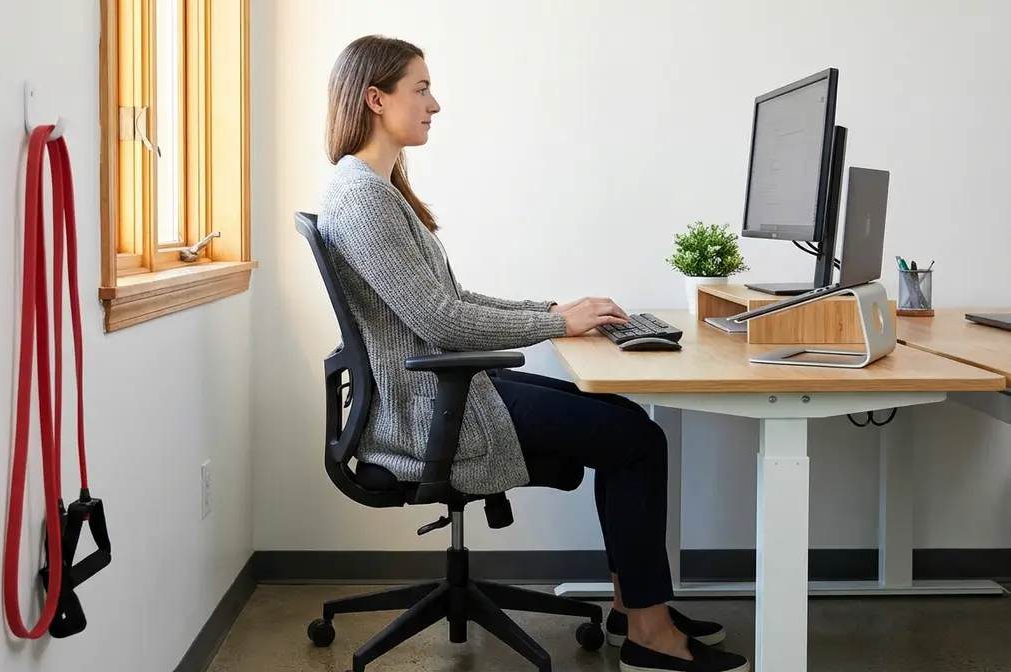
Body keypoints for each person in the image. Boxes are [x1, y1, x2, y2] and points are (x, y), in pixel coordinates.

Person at [317, 34, 751, 672]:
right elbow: (439, 320)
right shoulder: (362, 198)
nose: (435, 103)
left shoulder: (373, 190)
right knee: (634, 439)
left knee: (622, 419)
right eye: (422, 88)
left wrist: (554, 315)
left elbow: (452, 298)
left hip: (440, 393)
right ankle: (649, 633)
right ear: (376, 99)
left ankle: (637, 607)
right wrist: (553, 325)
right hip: (425, 409)